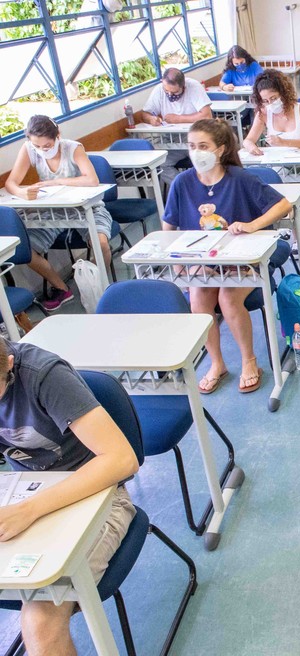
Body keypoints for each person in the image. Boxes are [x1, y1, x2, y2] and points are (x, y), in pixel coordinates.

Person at [0, 337, 138, 656]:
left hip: (99, 496)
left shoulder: (44, 375)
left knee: (41, 623)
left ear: (9, 364)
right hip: (28, 494)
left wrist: (29, 510)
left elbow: (121, 459)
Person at [161, 119, 292, 395]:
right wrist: (179, 264)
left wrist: (253, 225)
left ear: (220, 150)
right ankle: (217, 363)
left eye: (203, 146)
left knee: (228, 298)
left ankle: (249, 361)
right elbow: (169, 227)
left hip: (243, 261)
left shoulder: (239, 178)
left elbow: (283, 204)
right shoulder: (182, 182)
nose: (196, 152)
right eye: (192, 146)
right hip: (204, 262)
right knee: (198, 299)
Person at [3, 115, 116, 312]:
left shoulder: (73, 148)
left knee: (102, 244)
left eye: (46, 145)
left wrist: (55, 181)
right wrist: (22, 192)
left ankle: (94, 286)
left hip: (87, 207)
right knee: (25, 249)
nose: (42, 150)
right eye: (37, 146)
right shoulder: (29, 149)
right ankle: (62, 288)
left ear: (57, 136)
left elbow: (92, 180)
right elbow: (11, 183)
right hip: (53, 211)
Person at [135, 67, 213, 183]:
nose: (170, 95)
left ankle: (206, 187)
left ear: (183, 86)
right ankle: (185, 188)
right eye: (167, 92)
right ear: (162, 83)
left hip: (196, 138)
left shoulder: (194, 87)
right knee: (160, 164)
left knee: (204, 160)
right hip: (171, 139)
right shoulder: (159, 90)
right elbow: (145, 113)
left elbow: (206, 115)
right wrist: (151, 119)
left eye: (175, 92)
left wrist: (179, 119)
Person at [242, 69, 300, 154]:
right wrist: (250, 146)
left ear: (284, 93)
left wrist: (283, 142)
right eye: (265, 101)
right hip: (277, 164)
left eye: (273, 98)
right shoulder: (263, 113)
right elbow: (248, 140)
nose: (270, 103)